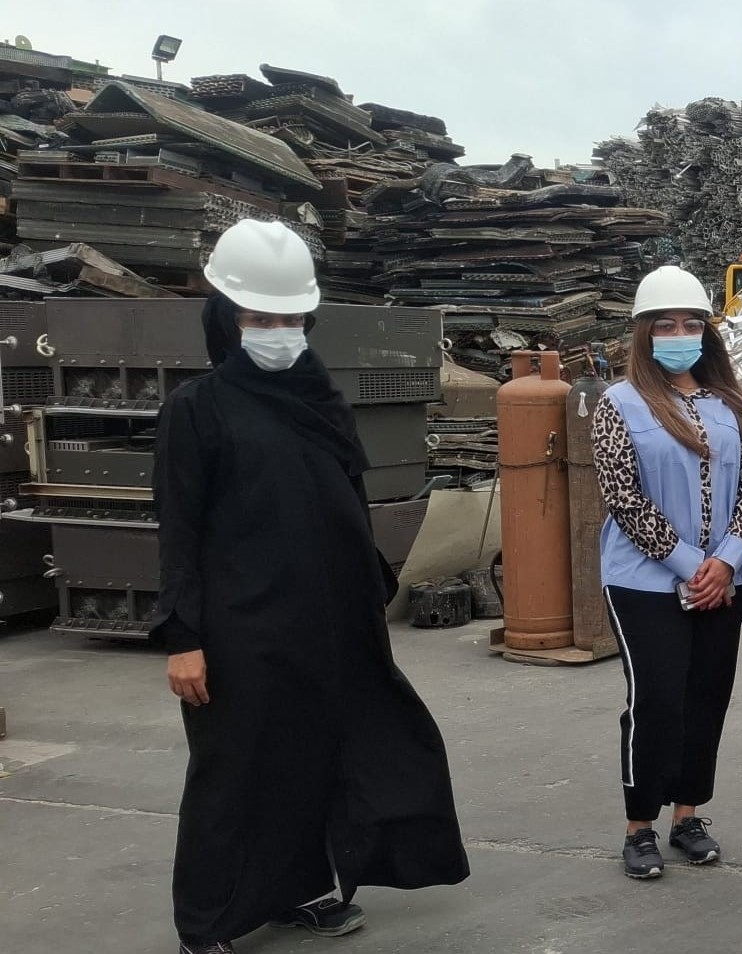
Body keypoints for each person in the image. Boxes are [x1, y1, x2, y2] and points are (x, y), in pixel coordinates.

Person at [156, 220, 468, 954]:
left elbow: (347, 506)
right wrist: (184, 638)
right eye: (261, 318)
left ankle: (295, 889)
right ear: (225, 317)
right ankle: (204, 925)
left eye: (292, 318)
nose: (278, 331)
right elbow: (178, 532)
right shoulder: (195, 411)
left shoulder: (318, 396)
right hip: (239, 633)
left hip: (326, 623)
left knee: (316, 762)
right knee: (232, 777)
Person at [591, 265, 742, 879]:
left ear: (706, 332)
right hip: (643, 582)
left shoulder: (729, 403)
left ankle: (687, 815)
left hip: (725, 576)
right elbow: (624, 496)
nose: (678, 333)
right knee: (657, 700)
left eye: (690, 323)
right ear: (643, 333)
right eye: (664, 324)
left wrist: (727, 560)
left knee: (705, 698)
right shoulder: (619, 403)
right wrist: (696, 566)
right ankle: (639, 825)